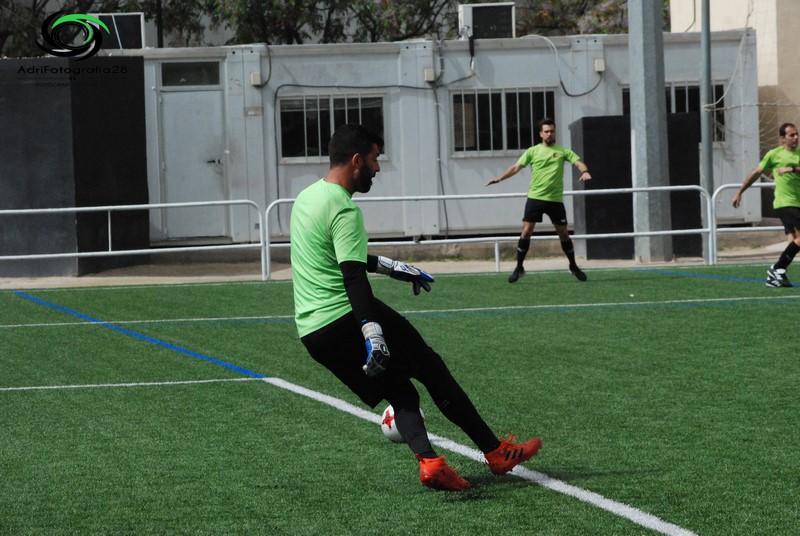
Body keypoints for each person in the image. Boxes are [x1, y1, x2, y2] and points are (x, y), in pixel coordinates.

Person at [290, 124, 541, 492]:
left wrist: (393, 268)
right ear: (357, 160)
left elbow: (336, 256)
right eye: (375, 159)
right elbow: (352, 276)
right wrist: (372, 331)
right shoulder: (344, 208)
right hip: (346, 315)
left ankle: (430, 463)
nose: (378, 168)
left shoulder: (306, 199)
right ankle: (495, 452)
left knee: (402, 393)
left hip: (314, 335)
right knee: (430, 367)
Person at [486, 117, 592, 283]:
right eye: (546, 131)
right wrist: (500, 178)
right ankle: (519, 268)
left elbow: (578, 163)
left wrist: (584, 171)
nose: (549, 134)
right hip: (535, 198)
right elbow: (516, 167)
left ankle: (573, 266)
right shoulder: (532, 151)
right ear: (540, 134)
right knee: (526, 231)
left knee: (563, 233)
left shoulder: (563, 151)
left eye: (552, 131)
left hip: (555, 200)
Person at [732, 122, 800, 288]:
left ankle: (777, 273)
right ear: (782, 138)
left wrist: (791, 169)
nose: (796, 137)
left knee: (796, 240)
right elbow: (756, 172)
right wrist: (740, 191)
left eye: (797, 134)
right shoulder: (774, 154)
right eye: (792, 135)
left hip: (797, 203)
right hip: (785, 203)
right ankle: (777, 269)